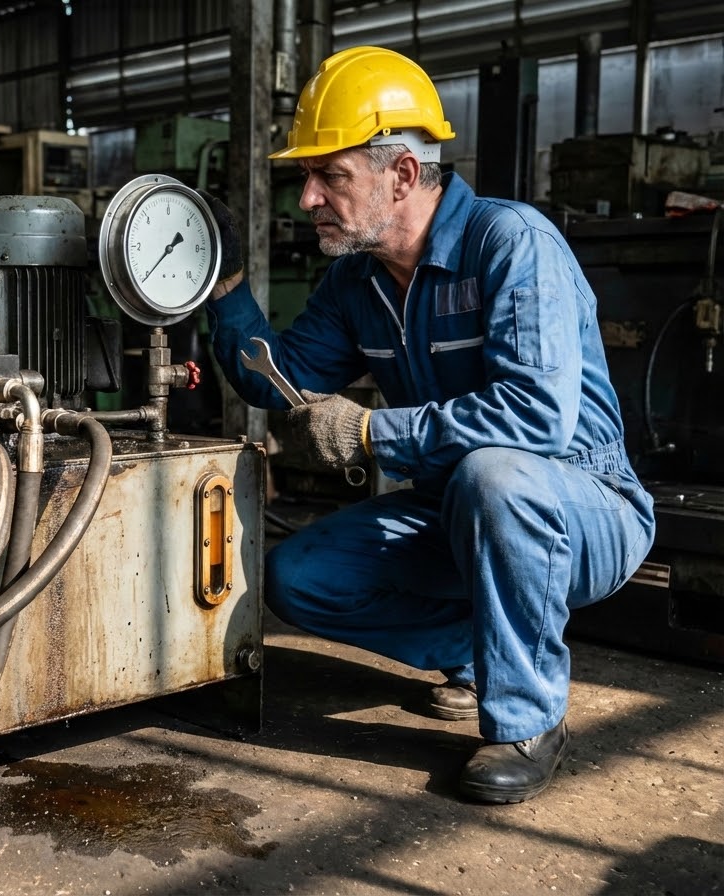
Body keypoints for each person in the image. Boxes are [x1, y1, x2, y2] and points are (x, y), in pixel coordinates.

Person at [203, 45, 656, 804]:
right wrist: (222, 286)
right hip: (457, 507)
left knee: (495, 475)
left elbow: (538, 419)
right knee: (301, 575)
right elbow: (277, 381)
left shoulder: (512, 243)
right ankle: (482, 654)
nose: (308, 198)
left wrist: (376, 432)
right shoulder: (358, 282)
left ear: (403, 175)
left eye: (331, 176)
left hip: (584, 504)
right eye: (307, 178)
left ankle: (527, 720)